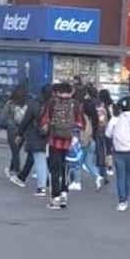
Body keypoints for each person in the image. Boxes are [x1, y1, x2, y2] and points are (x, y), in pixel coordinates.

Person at [39, 82, 83, 210]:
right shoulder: (75, 105)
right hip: (69, 142)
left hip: (54, 141)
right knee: (66, 169)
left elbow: (44, 121)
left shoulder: (52, 103)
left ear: (57, 92)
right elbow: (80, 123)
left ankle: (55, 197)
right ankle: (64, 193)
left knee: (54, 170)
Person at [106, 95, 130, 211]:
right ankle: (126, 198)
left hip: (118, 150)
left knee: (120, 177)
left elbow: (108, 134)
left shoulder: (115, 119)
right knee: (128, 176)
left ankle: (122, 201)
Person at [17, 85, 51, 195]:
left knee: (40, 160)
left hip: (35, 135)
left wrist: (19, 133)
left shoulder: (34, 104)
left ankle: (42, 187)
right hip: (52, 136)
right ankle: (49, 183)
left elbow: (26, 120)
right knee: (49, 161)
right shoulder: (53, 105)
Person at [2, 84, 29, 187]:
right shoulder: (28, 103)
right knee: (17, 149)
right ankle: (11, 169)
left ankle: (17, 171)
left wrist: (1, 124)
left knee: (15, 151)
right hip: (23, 129)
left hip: (12, 128)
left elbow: (4, 115)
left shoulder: (10, 103)